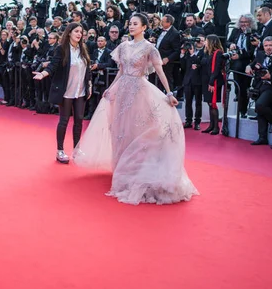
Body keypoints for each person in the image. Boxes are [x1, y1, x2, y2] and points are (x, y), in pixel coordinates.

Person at [72, 13, 199, 205]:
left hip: (140, 91)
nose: (131, 26)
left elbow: (159, 70)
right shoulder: (123, 47)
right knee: (120, 130)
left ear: (144, 27)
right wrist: (110, 88)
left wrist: (169, 92)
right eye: (130, 23)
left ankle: (135, 169)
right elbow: (121, 71)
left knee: (139, 130)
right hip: (122, 91)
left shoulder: (150, 48)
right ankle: (120, 168)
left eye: (135, 24)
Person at [33, 22, 92, 163]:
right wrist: (43, 74)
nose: (79, 34)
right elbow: (53, 65)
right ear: (69, 32)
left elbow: (87, 68)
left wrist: (89, 84)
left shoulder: (83, 48)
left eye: (81, 32)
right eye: (76, 31)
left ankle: (77, 150)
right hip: (66, 91)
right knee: (64, 121)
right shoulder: (62, 49)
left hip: (81, 91)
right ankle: (60, 150)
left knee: (79, 121)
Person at [200, 34, 225, 135]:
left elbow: (216, 69)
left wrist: (211, 82)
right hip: (206, 80)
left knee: (213, 103)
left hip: (213, 81)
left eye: (206, 41)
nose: (204, 42)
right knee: (209, 103)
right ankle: (211, 125)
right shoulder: (207, 53)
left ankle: (216, 127)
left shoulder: (218, 53)